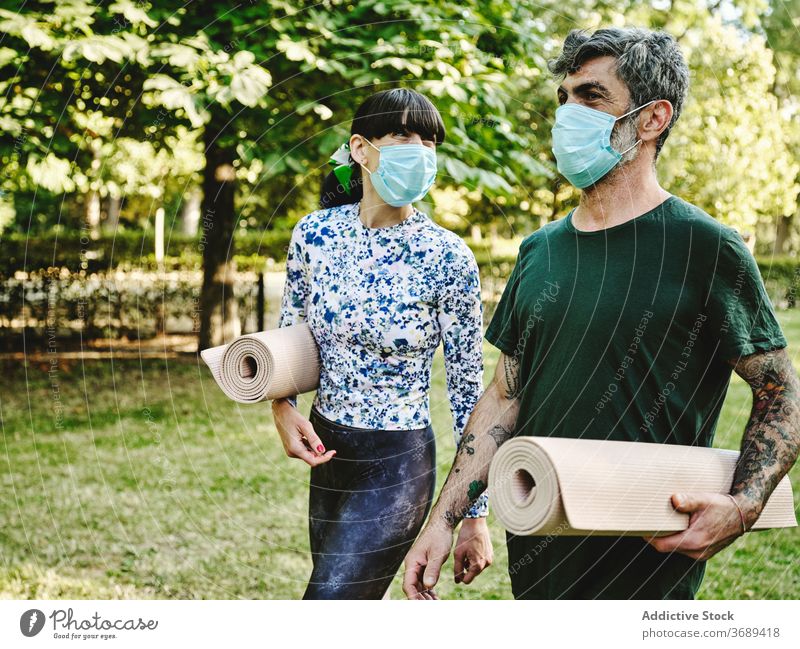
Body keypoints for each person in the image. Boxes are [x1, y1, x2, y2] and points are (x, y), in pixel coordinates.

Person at [403, 27, 800, 600]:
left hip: (648, 563)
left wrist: (742, 506)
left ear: (651, 118)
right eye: (563, 99)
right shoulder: (540, 250)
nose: (567, 115)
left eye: (591, 97)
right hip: (538, 540)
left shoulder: (706, 247)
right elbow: (505, 397)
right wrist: (444, 522)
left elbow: (780, 392)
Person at [272, 88, 492, 599]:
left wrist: (474, 515)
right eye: (403, 135)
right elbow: (289, 333)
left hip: (398, 463)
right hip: (329, 451)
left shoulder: (448, 257)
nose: (420, 149)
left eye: (430, 140)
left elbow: (468, 390)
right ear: (360, 149)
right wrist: (283, 408)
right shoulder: (315, 234)